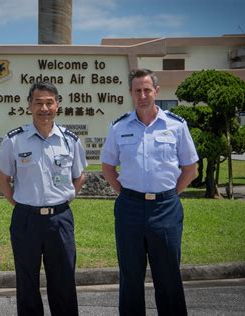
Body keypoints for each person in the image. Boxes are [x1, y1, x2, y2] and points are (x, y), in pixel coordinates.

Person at [100, 69, 198, 316]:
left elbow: (190, 168)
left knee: (168, 276)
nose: (142, 95)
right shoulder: (119, 127)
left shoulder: (176, 126)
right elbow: (108, 166)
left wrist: (170, 194)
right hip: (129, 208)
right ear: (131, 93)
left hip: (165, 208)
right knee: (131, 275)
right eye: (137, 90)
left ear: (156, 91)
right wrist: (125, 193)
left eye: (147, 89)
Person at [0, 81, 87, 316]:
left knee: (64, 281)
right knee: (27, 283)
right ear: (29, 106)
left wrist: (63, 199)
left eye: (49, 103)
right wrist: (20, 204)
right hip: (26, 220)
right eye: (38, 103)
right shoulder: (14, 140)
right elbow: (3, 178)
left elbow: (79, 176)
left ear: (58, 105)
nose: (44, 108)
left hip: (60, 220)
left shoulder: (70, 140)